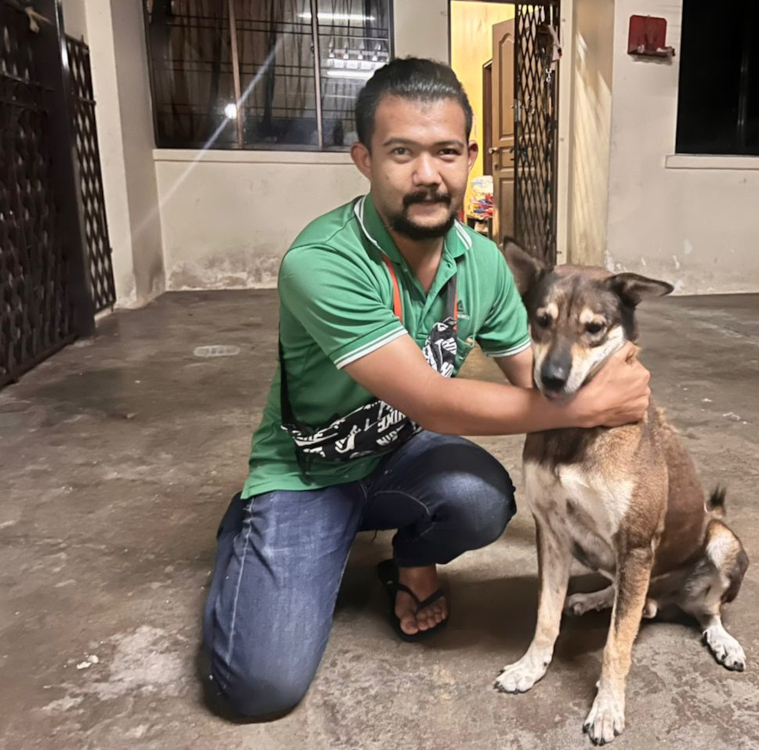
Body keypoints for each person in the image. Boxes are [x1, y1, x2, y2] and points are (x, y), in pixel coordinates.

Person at [201, 57, 651, 719]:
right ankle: (254, 530)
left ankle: (410, 562)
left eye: (445, 152)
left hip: (399, 457)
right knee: (256, 690)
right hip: (308, 474)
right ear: (364, 158)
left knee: (483, 500)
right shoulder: (321, 262)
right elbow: (429, 400)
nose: (427, 175)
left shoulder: (483, 263)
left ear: (469, 155)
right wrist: (592, 403)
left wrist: (595, 371)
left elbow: (535, 385)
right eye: (401, 153)